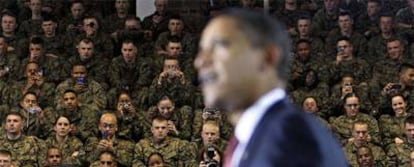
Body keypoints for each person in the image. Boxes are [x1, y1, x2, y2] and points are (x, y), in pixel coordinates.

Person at [194, 9, 347, 167]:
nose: (200, 61)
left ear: (267, 57)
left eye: (219, 46)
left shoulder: (291, 137)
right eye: (202, 50)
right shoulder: (254, 136)